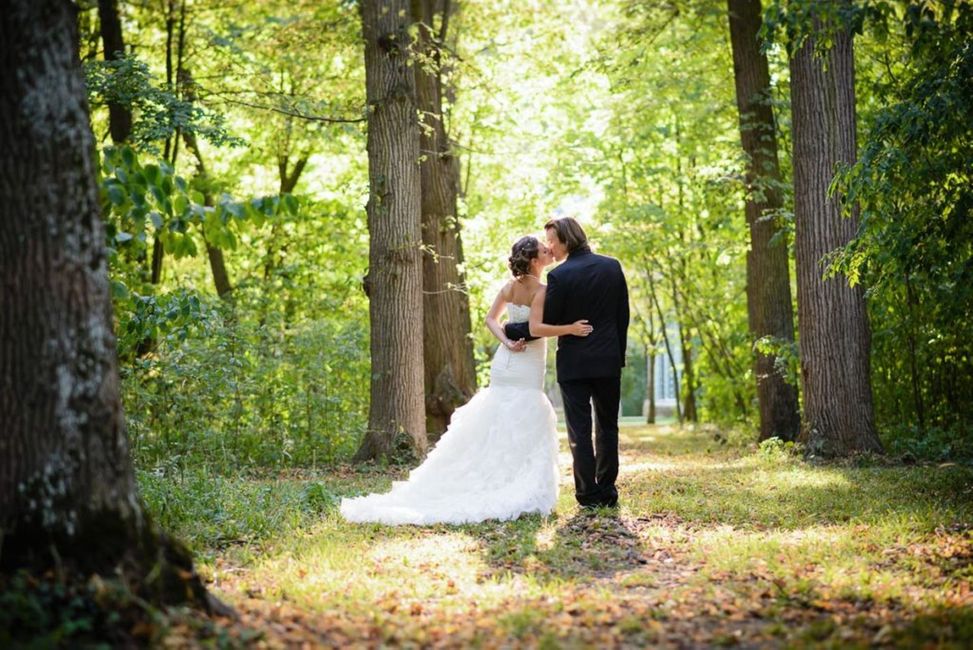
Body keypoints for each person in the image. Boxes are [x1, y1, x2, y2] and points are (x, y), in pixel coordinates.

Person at [339, 235, 592, 525]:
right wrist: (570, 329)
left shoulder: (509, 287)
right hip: (526, 364)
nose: (549, 251)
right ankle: (509, 479)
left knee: (499, 415)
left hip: (506, 361)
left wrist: (506, 344)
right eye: (544, 251)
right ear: (535, 261)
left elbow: (490, 321)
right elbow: (535, 327)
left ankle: (491, 471)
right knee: (525, 412)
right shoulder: (543, 290)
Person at [505, 217, 629, 508]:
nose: (549, 246)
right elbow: (622, 317)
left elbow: (550, 321)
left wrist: (512, 330)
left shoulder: (561, 276)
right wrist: (617, 355)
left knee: (580, 430)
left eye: (552, 240)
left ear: (567, 239)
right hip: (608, 360)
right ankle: (608, 492)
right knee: (609, 427)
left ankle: (587, 494)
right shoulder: (612, 267)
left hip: (574, 364)